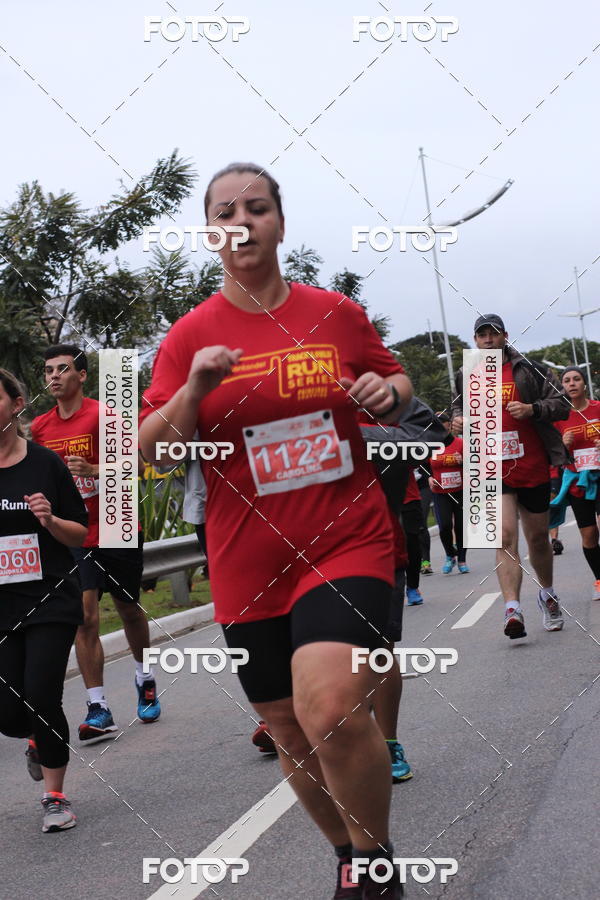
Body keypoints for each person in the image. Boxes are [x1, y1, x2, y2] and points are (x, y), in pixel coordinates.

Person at [139, 162, 413, 898]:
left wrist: (386, 391)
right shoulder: (191, 335)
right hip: (246, 557)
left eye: (256, 208)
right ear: (211, 235)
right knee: (290, 731)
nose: (243, 221)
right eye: (226, 212)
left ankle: (371, 862)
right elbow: (154, 448)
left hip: (345, 536)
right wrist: (195, 386)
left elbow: (397, 379)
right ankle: (355, 859)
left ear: (280, 224)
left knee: (328, 706)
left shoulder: (335, 313)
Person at [31, 345, 160, 743]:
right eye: (48, 371)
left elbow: (137, 467)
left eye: (63, 370)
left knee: (129, 609)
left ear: (82, 376)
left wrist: (94, 469)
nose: (54, 377)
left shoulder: (104, 416)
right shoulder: (40, 427)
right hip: (75, 533)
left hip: (116, 523)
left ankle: (145, 676)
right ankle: (98, 705)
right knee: (84, 616)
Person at [0, 369, 88, 832]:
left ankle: (54, 795)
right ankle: (35, 737)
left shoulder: (44, 464)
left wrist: (50, 520)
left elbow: (81, 530)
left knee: (41, 693)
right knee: (9, 711)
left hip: (49, 597)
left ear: (16, 405)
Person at [451, 313, 570, 639]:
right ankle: (512, 609)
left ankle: (547, 594)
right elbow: (458, 408)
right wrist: (457, 421)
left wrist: (532, 410)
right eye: (482, 335)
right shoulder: (467, 371)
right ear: (475, 341)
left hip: (530, 465)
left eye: (493, 334)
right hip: (490, 469)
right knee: (503, 537)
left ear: (504, 336)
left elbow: (561, 405)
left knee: (537, 540)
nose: (488, 340)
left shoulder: (527, 368)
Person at [553, 366, 600, 599]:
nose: (571, 383)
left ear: (584, 384)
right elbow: (552, 455)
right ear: (562, 387)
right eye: (567, 380)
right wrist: (563, 444)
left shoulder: (598, 408)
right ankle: (599, 579)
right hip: (577, 481)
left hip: (599, 476)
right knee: (589, 535)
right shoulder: (559, 418)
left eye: (576, 379)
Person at [429, 413, 468, 574]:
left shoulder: (460, 443)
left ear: (449, 425)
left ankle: (462, 559)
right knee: (445, 526)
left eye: (443, 423)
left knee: (460, 526)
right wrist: (429, 478)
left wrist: (463, 461)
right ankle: (450, 555)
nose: (440, 426)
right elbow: (423, 465)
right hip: (440, 492)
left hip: (460, 491)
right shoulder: (429, 446)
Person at [399, 469, 426, 605]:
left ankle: (412, 587)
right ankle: (394, 588)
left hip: (408, 498)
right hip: (380, 499)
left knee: (411, 543)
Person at [415, 466, 434, 575]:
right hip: (403, 487)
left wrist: (430, 476)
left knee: (421, 522)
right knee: (408, 527)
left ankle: (426, 561)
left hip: (423, 484)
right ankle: (415, 560)